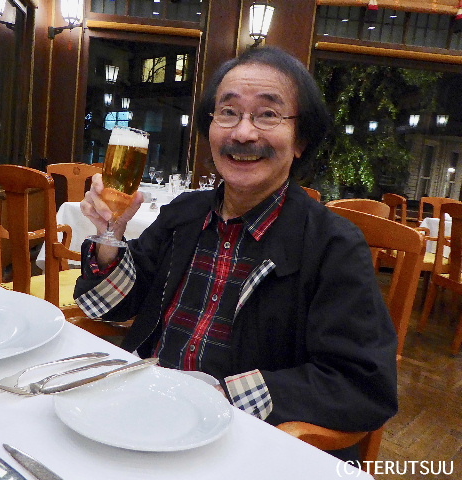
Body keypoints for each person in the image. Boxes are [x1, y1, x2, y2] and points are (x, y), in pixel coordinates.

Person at [74, 46, 397, 462]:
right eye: (228, 112)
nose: (243, 133)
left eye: (267, 114)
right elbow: (109, 307)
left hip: (243, 445)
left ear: (300, 140)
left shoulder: (333, 245)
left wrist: (220, 394)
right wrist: (111, 234)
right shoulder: (185, 214)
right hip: (143, 414)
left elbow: (364, 385)